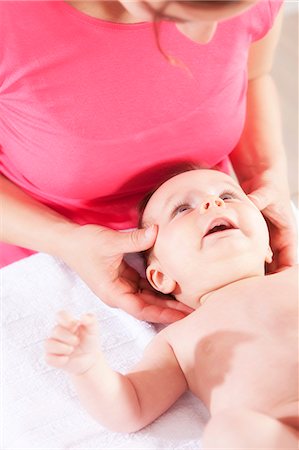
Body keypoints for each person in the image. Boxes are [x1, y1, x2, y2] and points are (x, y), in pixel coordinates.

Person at [0, 1, 297, 323]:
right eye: (180, 12)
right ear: (158, 275)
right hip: (40, 243)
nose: (204, 36)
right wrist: (65, 241)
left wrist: (265, 174)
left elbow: (254, 75)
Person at [45, 168, 298, 448]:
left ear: (268, 247)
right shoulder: (179, 340)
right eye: (181, 209)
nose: (213, 203)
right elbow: (132, 408)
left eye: (228, 195)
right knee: (228, 432)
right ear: (161, 276)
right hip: (277, 432)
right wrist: (88, 367)